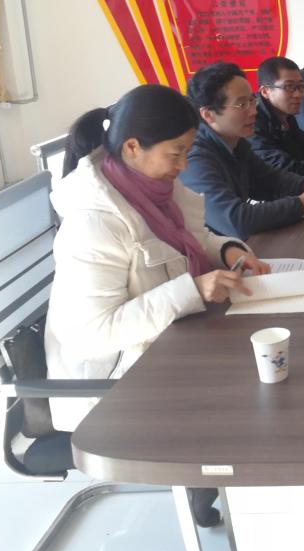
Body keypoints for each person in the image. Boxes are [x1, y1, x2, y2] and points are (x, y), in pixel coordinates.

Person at [45, 84, 269, 527]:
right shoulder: (94, 222)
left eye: (188, 151)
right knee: (255, 386)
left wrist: (228, 250)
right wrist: (193, 290)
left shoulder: (154, 188)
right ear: (133, 147)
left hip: (167, 345)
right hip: (119, 383)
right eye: (176, 153)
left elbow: (192, 241)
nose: (184, 165)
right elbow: (93, 333)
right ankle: (242, 503)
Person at [180, 62, 304, 240]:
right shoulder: (194, 158)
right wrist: (301, 204)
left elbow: (271, 180)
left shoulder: (236, 143)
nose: (253, 111)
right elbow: (235, 221)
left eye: (252, 100)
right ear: (208, 114)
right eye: (242, 104)